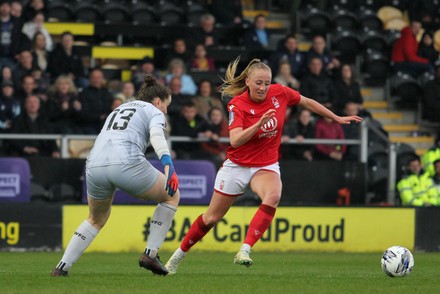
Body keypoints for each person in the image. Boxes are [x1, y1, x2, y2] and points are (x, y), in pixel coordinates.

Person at [164, 57, 362, 274]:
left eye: (267, 83)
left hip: (265, 164)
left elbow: (306, 102)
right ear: (248, 81)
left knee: (273, 196)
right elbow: (235, 140)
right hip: (237, 165)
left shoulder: (280, 92)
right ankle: (177, 257)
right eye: (259, 83)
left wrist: (336, 117)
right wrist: (258, 124)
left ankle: (245, 249)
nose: (263, 87)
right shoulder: (236, 104)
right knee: (211, 218)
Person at [51, 74, 180, 277]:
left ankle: (62, 267)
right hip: (126, 162)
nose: (165, 110)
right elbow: (157, 136)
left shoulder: (119, 108)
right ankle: (150, 253)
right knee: (172, 195)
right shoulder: (154, 111)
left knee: (96, 218)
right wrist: (168, 164)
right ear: (157, 101)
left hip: (94, 164)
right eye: (166, 105)